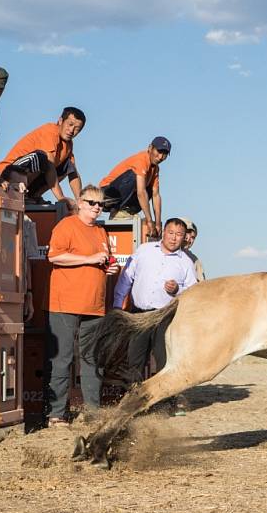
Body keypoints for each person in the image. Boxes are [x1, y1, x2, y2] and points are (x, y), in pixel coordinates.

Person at [45, 185, 119, 426]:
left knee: (92, 360)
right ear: (79, 202)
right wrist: (88, 259)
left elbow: (102, 262)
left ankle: (93, 412)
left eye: (100, 204)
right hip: (65, 303)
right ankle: (57, 414)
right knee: (63, 359)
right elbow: (54, 256)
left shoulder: (100, 231)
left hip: (94, 306)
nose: (96, 208)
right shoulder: (66, 226)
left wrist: (110, 268)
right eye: (91, 203)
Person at [112, 218, 197, 383]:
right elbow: (126, 279)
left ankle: (166, 403)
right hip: (139, 315)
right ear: (163, 232)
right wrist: (117, 305)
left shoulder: (186, 262)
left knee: (165, 361)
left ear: (184, 238)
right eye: (171, 233)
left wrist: (177, 290)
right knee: (134, 360)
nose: (173, 238)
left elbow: (193, 292)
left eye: (178, 234)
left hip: (165, 317)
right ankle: (134, 402)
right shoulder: (144, 250)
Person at [0, 107, 86, 208]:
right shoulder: (50, 131)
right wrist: (61, 198)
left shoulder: (68, 144)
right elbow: (49, 167)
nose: (72, 130)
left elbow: (73, 174)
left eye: (77, 129)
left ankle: (32, 195)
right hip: (10, 173)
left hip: (29, 180)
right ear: (61, 121)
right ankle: (19, 191)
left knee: (67, 165)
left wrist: (81, 202)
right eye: (70, 125)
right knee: (42, 158)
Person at [100, 137, 170, 238]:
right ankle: (118, 212)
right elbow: (141, 192)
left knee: (150, 188)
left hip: (124, 197)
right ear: (150, 147)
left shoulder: (155, 169)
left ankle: (126, 211)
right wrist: (149, 220)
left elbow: (156, 195)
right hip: (107, 194)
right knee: (136, 178)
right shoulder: (141, 159)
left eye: (164, 155)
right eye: (159, 152)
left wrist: (158, 223)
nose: (160, 157)